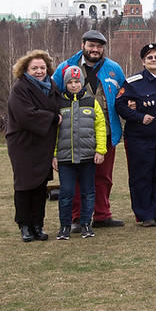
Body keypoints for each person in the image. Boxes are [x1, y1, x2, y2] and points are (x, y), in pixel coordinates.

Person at [52, 30, 125, 229]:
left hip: (106, 133)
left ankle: (102, 215)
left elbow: (124, 95)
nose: (95, 49)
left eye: (99, 46)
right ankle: (76, 218)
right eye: (91, 45)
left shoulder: (114, 69)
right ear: (83, 45)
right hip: (73, 135)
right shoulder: (66, 67)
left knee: (103, 177)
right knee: (76, 178)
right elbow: (52, 95)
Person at [116, 43, 156, 227]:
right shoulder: (133, 82)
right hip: (140, 139)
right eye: (150, 57)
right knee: (141, 176)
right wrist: (139, 117)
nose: (154, 60)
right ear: (143, 61)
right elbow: (119, 105)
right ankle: (145, 215)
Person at [6, 50, 60, 242]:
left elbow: (58, 105)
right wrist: (53, 118)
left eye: (42, 68)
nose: (39, 71)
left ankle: (38, 224)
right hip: (23, 143)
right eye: (34, 68)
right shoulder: (20, 88)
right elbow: (25, 115)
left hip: (44, 143)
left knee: (40, 185)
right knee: (24, 184)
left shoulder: (52, 85)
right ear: (25, 69)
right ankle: (25, 225)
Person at [53, 66, 107, 240]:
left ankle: (85, 223)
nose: (74, 85)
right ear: (65, 84)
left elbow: (100, 127)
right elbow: (53, 132)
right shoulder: (59, 104)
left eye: (77, 81)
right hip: (65, 157)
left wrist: (100, 150)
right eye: (70, 82)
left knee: (88, 192)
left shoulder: (92, 102)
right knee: (66, 192)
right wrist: (53, 155)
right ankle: (65, 226)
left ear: (82, 82)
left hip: (88, 156)